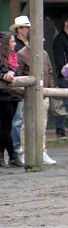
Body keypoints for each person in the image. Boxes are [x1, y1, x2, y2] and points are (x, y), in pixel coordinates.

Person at [16, 44, 57, 165]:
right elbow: (18, 75)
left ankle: (42, 151)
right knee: (26, 124)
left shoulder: (44, 53)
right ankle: (24, 152)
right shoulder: (22, 54)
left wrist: (51, 90)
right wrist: (23, 92)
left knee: (42, 124)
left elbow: (49, 72)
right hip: (28, 95)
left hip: (44, 94)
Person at [0, 31, 24, 168]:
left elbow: (15, 71)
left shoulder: (13, 57)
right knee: (5, 127)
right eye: (12, 42)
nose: (14, 44)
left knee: (6, 127)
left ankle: (7, 156)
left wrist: (11, 73)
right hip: (3, 96)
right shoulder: (2, 57)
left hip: (13, 95)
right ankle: (12, 155)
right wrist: (4, 75)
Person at [10, 15, 29, 160]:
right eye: (24, 27)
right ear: (18, 29)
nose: (26, 30)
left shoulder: (29, 42)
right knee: (17, 121)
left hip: (28, 84)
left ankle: (27, 148)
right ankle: (17, 149)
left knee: (27, 120)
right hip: (17, 85)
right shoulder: (14, 44)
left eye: (27, 27)